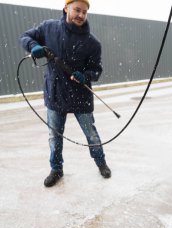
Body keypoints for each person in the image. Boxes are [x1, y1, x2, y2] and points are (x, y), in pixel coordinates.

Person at [20, 0, 111, 187]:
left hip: (81, 97)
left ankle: (101, 162)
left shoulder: (93, 43)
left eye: (84, 12)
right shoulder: (49, 28)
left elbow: (96, 71)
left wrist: (85, 76)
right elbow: (25, 36)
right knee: (54, 136)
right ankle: (56, 169)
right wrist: (33, 46)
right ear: (66, 8)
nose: (80, 15)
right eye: (77, 10)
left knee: (91, 134)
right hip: (55, 94)